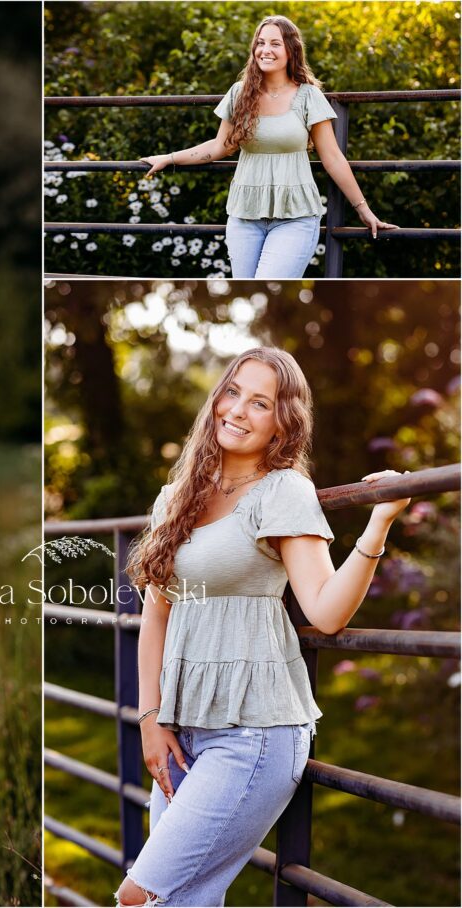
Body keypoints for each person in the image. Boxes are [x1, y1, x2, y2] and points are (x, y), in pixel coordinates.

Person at [114, 347, 410, 907]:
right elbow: (157, 611)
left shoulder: (282, 492)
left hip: (253, 734)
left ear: (284, 419)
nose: (239, 411)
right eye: (232, 393)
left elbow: (324, 611)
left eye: (261, 403)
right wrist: (150, 719)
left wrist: (378, 521)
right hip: (182, 730)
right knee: (185, 901)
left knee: (141, 895)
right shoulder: (175, 498)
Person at [139, 15, 397, 278]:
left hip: (296, 216)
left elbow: (332, 158)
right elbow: (219, 147)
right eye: (261, 43)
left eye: (275, 43)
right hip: (244, 215)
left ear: (291, 50)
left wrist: (363, 209)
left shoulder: (308, 96)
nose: (265, 50)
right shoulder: (240, 93)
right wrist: (169, 158)